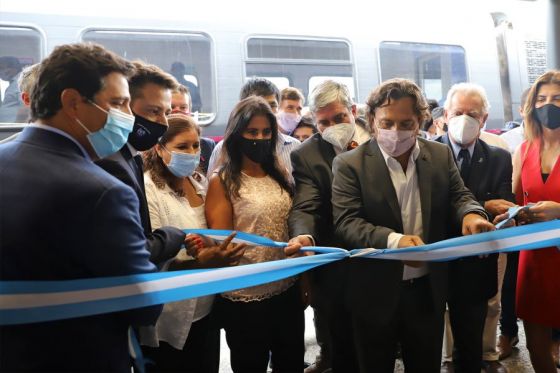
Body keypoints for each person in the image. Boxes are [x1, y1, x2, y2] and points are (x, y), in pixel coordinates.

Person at [0, 42, 162, 372]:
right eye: (118, 104)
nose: (129, 118)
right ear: (72, 102)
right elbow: (143, 305)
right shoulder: (102, 192)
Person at [331, 78, 494, 373]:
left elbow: (460, 196)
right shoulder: (350, 164)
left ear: (420, 120)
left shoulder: (438, 155)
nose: (396, 132)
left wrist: (471, 213)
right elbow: (347, 223)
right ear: (371, 120)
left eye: (406, 124)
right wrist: (394, 242)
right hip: (374, 292)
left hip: (426, 291)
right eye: (387, 123)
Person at [139, 114, 245, 373]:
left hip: (205, 307)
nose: (192, 153)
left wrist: (213, 250)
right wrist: (199, 260)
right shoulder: (148, 188)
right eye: (182, 147)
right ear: (159, 148)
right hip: (167, 314)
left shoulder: (198, 182)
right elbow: (150, 252)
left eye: (196, 146)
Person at [205, 96, 304, 372]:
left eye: (265, 132)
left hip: (286, 288)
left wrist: (304, 279)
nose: (259, 138)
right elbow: (224, 243)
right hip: (246, 297)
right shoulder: (222, 180)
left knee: (291, 363)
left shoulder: (279, 173)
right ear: (238, 134)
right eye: (252, 132)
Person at [286, 80, 370, 373]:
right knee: (342, 349)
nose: (333, 126)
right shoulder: (306, 155)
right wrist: (303, 235)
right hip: (337, 268)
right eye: (324, 123)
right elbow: (305, 205)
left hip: (383, 260)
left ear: (353, 111)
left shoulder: (381, 139)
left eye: (340, 118)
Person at [437, 83, 514, 373]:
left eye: (473, 114)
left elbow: (504, 205)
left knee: (471, 345)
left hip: (478, 263)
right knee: (429, 341)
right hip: (436, 261)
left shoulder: (499, 158)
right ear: (445, 114)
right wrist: (484, 204)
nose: (464, 119)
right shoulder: (426, 152)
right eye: (458, 112)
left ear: (484, 119)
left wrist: (501, 211)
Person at [96, 62, 187, 266]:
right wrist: (171, 236)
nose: (164, 123)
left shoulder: (132, 156)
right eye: (154, 111)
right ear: (124, 107)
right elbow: (127, 251)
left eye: (166, 112)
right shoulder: (110, 163)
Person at [504, 70, 560, 373]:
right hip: (534, 255)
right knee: (535, 342)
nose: (548, 105)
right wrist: (512, 214)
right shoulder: (523, 151)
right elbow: (515, 200)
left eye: (557, 98)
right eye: (541, 99)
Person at [207, 77, 300, 177]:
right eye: (259, 105)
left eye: (272, 105)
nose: (266, 111)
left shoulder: (294, 147)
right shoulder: (222, 149)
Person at [171, 84, 216, 174]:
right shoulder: (155, 146)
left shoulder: (207, 146)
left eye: (183, 107)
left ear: (190, 111)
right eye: (172, 107)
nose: (177, 111)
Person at [0, 55, 23, 122]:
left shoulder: (20, 83)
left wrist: (18, 126)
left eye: (1, 68)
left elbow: (25, 107)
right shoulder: (13, 84)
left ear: (14, 68)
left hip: (13, 128)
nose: (0, 72)